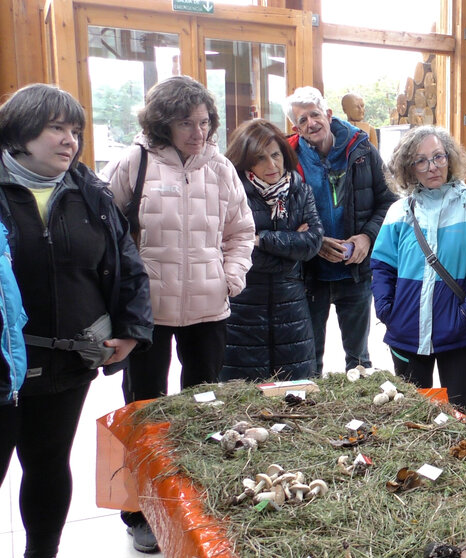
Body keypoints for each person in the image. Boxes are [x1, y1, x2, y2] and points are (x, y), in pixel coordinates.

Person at [101, 75, 254, 553]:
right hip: (148, 314)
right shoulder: (135, 161)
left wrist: (230, 278)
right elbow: (108, 235)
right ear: (163, 122)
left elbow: (240, 232)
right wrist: (127, 296)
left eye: (205, 122)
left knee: (203, 406)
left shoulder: (221, 167)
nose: (198, 132)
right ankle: (140, 511)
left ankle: (196, 495)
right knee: (146, 410)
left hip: (210, 308)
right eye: (186, 122)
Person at [0, 83, 153, 557]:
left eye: (76, 131)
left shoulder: (91, 193)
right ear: (22, 133)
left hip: (67, 364)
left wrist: (131, 329)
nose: (70, 140)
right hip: (4, 365)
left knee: (47, 465)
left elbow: (129, 265)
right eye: (56, 129)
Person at [370, 126, 466, 415]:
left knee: (458, 414)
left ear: (450, 158)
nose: (432, 167)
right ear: (408, 168)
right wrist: (386, 310)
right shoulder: (399, 211)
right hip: (406, 331)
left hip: (459, 334)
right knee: (411, 414)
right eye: (421, 161)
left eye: (438, 157)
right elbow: (382, 266)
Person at [282, 87, 396, 374]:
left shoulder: (362, 149)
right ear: (295, 127)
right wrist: (314, 242)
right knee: (308, 358)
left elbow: (389, 200)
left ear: (328, 114)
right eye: (302, 120)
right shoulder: (288, 158)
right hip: (309, 275)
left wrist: (367, 237)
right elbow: (279, 219)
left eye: (315, 114)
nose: (311, 123)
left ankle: (359, 415)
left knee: (359, 360)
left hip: (355, 274)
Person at [220, 119, 323, 381]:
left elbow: (312, 243)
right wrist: (289, 248)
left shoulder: (298, 189)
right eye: (261, 158)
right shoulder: (231, 193)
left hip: (292, 310)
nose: (272, 165)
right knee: (242, 399)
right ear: (246, 161)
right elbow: (230, 250)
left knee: (294, 393)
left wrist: (259, 240)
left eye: (276, 155)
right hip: (243, 309)